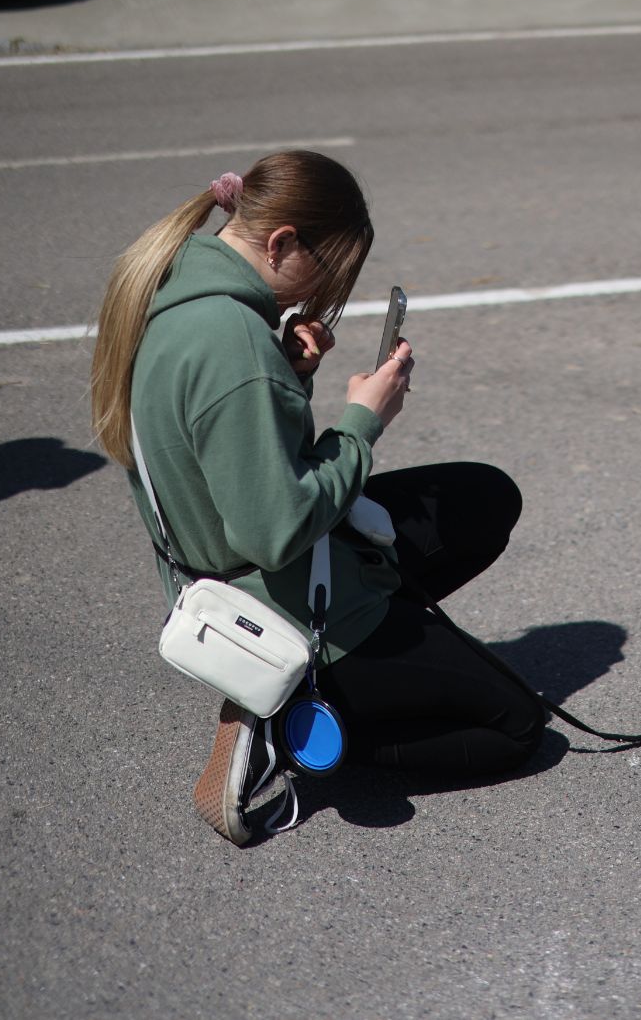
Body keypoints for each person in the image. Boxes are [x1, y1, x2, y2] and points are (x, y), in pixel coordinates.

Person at [89, 150, 545, 845]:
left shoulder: (176, 282)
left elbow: (236, 456)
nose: (321, 298)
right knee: (516, 726)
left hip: (222, 567)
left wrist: (293, 376)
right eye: (324, 275)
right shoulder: (234, 344)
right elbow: (277, 530)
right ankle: (291, 718)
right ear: (281, 243)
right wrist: (363, 422)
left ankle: (337, 681)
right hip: (282, 596)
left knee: (484, 499)